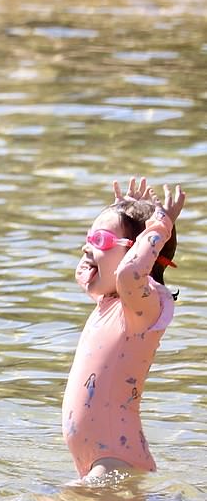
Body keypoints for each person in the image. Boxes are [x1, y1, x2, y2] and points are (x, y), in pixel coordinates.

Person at [62, 176, 186, 481]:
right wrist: (128, 209)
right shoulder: (107, 300)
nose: (86, 247)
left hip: (115, 462)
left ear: (137, 252)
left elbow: (130, 273)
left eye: (100, 240)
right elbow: (84, 272)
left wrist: (159, 225)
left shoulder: (142, 308)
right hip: (98, 460)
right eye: (88, 238)